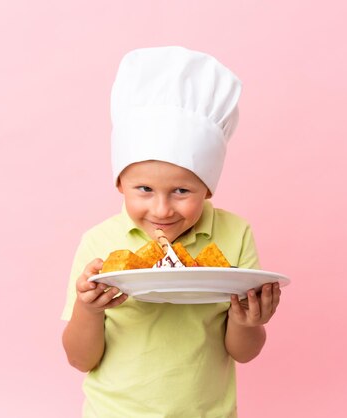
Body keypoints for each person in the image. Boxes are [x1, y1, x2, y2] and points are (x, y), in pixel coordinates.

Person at [61, 46, 282, 417]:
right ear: (120, 184)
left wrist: (250, 321)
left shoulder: (235, 233)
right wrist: (88, 308)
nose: (162, 210)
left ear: (208, 188)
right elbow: (80, 359)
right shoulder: (98, 242)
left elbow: (244, 353)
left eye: (182, 191)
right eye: (144, 190)